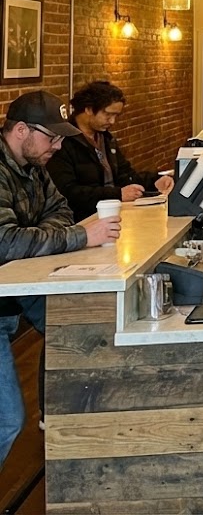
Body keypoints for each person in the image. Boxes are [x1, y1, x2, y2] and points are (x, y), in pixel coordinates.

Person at [0, 90, 121, 467]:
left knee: (78, 327)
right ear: (21, 130)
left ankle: (72, 425)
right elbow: (6, 241)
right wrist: (81, 237)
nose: (57, 145)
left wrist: (39, 235)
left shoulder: (33, 165)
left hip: (16, 292)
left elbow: (61, 209)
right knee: (7, 421)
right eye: (50, 137)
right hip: (6, 297)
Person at [46, 80, 174, 220]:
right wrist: (117, 194)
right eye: (108, 114)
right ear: (88, 109)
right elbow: (68, 192)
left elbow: (125, 174)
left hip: (113, 214)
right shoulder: (63, 143)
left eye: (116, 116)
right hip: (83, 220)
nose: (112, 121)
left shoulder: (105, 139)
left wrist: (154, 181)